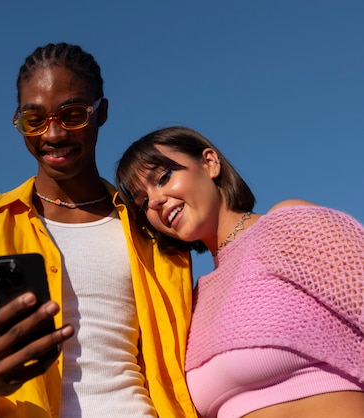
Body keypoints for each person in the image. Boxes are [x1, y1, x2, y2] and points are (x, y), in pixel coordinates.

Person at [0, 43, 197, 417]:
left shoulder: (153, 229)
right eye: (34, 119)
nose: (53, 134)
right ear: (18, 122)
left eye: (72, 114)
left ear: (101, 112)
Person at [115, 125, 364, 417]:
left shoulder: (285, 226)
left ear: (210, 162)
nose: (155, 201)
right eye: (143, 202)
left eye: (163, 177)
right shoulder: (191, 303)